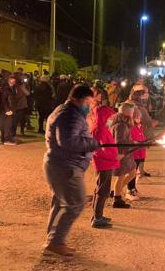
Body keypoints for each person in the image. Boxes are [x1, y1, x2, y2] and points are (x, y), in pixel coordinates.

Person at [43, 84, 99, 256]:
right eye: (88, 102)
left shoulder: (66, 111)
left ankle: (53, 241)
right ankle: (55, 242)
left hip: (60, 164)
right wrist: (93, 143)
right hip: (66, 166)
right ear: (77, 99)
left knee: (61, 202)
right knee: (76, 203)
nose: (90, 106)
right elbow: (68, 142)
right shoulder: (69, 115)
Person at [89, 87, 117, 229]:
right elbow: (98, 148)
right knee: (103, 190)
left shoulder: (103, 127)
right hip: (103, 161)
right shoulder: (98, 129)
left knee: (101, 188)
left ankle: (97, 215)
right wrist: (112, 155)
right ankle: (97, 217)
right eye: (109, 118)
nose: (111, 121)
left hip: (107, 160)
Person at [109, 102, 137, 209]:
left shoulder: (122, 123)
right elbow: (119, 141)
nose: (133, 114)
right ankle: (117, 199)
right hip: (121, 154)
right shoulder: (120, 125)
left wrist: (132, 142)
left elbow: (124, 140)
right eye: (132, 112)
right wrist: (124, 150)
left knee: (133, 172)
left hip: (125, 153)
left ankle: (117, 191)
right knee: (120, 176)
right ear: (128, 112)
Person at [0, 75, 18, 145]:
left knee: (6, 124)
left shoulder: (11, 88)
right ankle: (7, 140)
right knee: (8, 125)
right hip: (7, 109)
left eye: (14, 81)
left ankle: (4, 139)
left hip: (8, 108)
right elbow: (4, 100)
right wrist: (7, 109)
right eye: (12, 80)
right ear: (9, 80)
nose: (13, 82)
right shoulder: (6, 89)